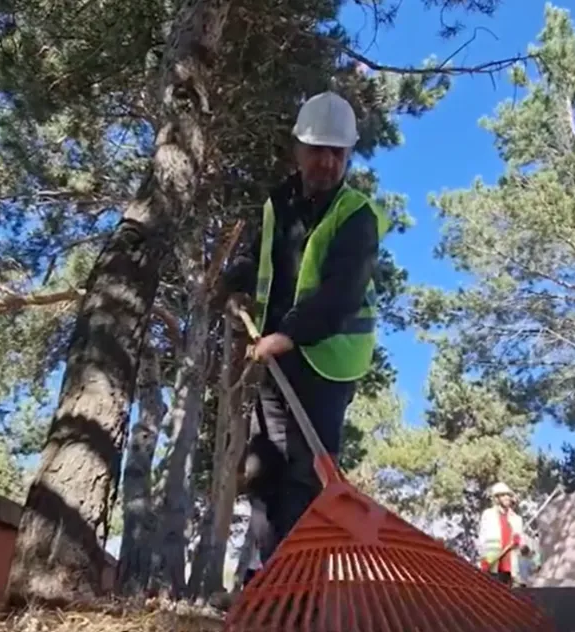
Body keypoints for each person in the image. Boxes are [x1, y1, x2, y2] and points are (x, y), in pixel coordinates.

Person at [221, 91, 390, 566]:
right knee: (262, 467)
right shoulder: (279, 202)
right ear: (297, 149)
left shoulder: (357, 216)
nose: (328, 161)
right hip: (278, 354)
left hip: (328, 361)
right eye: (318, 149)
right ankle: (263, 578)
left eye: (338, 152)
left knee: (305, 475)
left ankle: (301, 586)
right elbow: (264, 257)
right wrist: (237, 276)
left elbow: (342, 292)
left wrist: (288, 334)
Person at [477, 482, 528, 587]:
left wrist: (520, 543)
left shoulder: (517, 519)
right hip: (492, 565)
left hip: (510, 568)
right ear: (496, 498)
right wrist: (484, 559)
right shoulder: (488, 515)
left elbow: (521, 544)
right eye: (503, 495)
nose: (507, 497)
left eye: (508, 495)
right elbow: (482, 539)